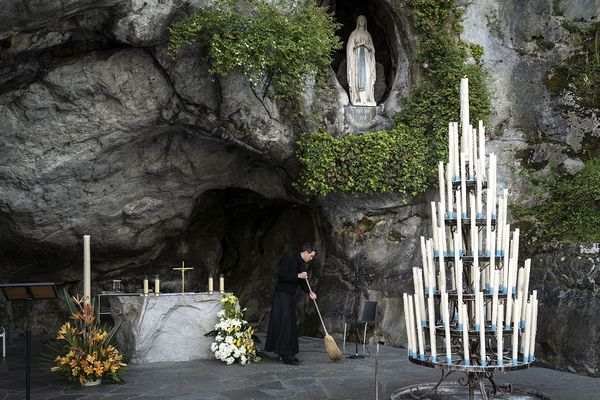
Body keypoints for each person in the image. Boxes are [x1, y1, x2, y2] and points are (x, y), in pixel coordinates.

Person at [265, 242, 317, 365]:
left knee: (290, 325)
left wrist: (310, 292)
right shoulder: (289, 259)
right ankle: (284, 354)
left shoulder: (301, 264)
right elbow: (282, 276)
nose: (312, 258)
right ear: (305, 252)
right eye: (311, 256)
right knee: (285, 324)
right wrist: (298, 275)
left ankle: (289, 353)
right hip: (281, 295)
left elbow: (303, 282)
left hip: (289, 297)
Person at [346, 15, 376, 106]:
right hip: (357, 59)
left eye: (363, 19)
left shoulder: (368, 35)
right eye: (360, 19)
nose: (362, 21)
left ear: (366, 21)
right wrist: (359, 45)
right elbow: (349, 47)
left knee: (367, 76)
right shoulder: (354, 33)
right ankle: (358, 98)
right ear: (357, 22)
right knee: (357, 76)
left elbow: (372, 49)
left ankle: (367, 98)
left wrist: (366, 45)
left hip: (366, 58)